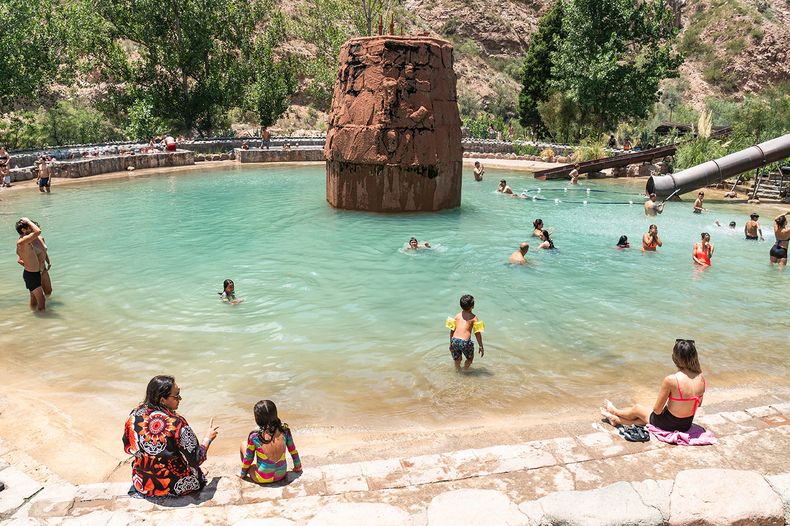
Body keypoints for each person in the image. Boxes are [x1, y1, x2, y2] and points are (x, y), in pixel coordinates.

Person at [123, 375, 219, 497]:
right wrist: (208, 438)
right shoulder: (176, 423)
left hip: (143, 483)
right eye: (176, 395)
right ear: (162, 400)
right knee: (195, 469)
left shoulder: (134, 415)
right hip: (174, 486)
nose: (180, 398)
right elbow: (196, 459)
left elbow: (128, 447)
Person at [601, 339, 706, 433]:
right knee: (645, 416)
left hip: (670, 425)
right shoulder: (701, 377)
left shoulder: (671, 380)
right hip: (685, 425)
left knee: (637, 409)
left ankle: (615, 412)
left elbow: (657, 410)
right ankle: (616, 420)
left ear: (676, 358)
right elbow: (698, 404)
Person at [239, 400, 302, 483]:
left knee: (243, 444)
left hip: (262, 477)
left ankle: (244, 473)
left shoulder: (255, 436)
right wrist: (298, 467)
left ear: (257, 418)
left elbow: (248, 458)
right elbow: (293, 451)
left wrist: (242, 474)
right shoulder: (285, 430)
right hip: (281, 475)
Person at [445, 294, 485, 369]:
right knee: (469, 359)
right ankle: (465, 370)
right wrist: (481, 345)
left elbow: (452, 330)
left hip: (454, 340)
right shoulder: (474, 318)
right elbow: (477, 333)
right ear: (472, 306)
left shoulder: (457, 316)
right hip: (465, 342)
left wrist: (451, 344)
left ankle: (458, 371)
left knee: (457, 359)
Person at [15, 218, 46, 311]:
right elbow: (38, 231)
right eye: (30, 227)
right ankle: (42, 321)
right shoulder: (22, 241)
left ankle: (33, 317)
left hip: (32, 273)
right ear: (23, 230)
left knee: (34, 300)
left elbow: (18, 254)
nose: (32, 229)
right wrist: (28, 221)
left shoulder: (23, 241)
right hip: (31, 275)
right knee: (42, 301)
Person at [30, 221, 52, 296]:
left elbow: (44, 251)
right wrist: (33, 268)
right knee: (37, 295)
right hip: (35, 271)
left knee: (49, 291)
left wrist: (48, 262)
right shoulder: (26, 242)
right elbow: (20, 260)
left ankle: (48, 305)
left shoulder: (41, 238)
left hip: (44, 269)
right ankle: (38, 307)